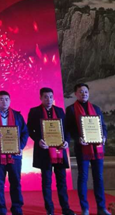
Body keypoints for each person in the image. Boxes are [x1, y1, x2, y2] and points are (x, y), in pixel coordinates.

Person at [27, 88, 75, 215]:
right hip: (44, 151)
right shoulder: (34, 111)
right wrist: (38, 140)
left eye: (50, 97)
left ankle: (66, 209)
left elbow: (66, 129)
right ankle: (50, 210)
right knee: (47, 182)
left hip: (59, 151)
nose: (48, 99)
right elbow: (29, 130)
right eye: (45, 97)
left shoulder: (59, 111)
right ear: (40, 98)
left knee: (62, 181)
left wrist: (67, 141)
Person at [65, 83, 111, 215]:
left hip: (97, 148)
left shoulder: (96, 108)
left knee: (99, 177)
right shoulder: (71, 109)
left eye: (85, 91)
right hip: (82, 148)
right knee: (83, 177)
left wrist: (104, 137)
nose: (83, 94)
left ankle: (101, 208)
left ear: (88, 93)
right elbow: (69, 128)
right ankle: (85, 208)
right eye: (80, 91)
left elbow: (103, 126)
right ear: (76, 94)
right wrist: (77, 138)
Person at [0, 91, 29, 215]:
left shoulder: (17, 116)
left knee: (15, 182)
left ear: (10, 100)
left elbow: (25, 132)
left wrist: (21, 147)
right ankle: (1, 209)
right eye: (1, 99)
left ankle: (17, 208)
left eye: (6, 99)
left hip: (15, 155)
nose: (4, 101)